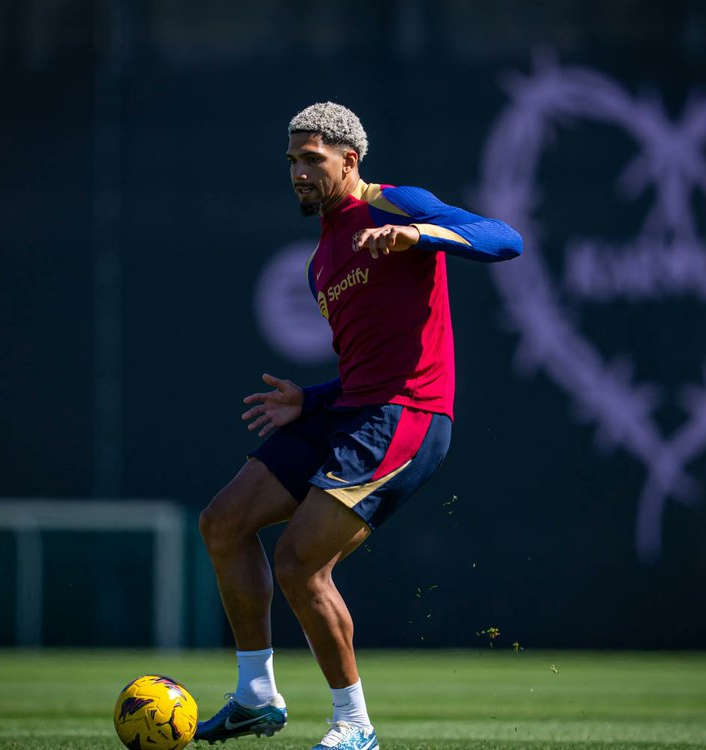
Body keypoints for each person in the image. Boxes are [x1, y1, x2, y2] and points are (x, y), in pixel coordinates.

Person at [194, 102, 522, 750]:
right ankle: (256, 697)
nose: (297, 171)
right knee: (222, 523)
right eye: (291, 160)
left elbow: (505, 238)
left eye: (310, 158)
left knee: (300, 564)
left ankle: (355, 728)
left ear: (350, 159)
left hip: (408, 416)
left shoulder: (396, 205)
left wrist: (420, 236)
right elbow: (371, 365)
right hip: (349, 411)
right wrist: (310, 399)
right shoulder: (321, 257)